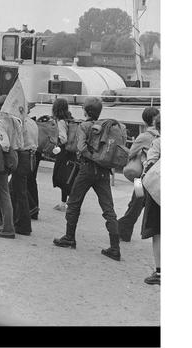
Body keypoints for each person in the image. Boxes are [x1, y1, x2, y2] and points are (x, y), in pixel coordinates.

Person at [52, 97, 122, 261]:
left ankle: (69, 237)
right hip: (104, 171)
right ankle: (115, 247)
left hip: (87, 169)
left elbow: (81, 147)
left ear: (86, 111)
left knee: (74, 202)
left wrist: (92, 157)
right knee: (108, 208)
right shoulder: (107, 127)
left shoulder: (84, 126)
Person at [118, 107, 160, 241]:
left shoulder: (143, 137)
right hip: (155, 179)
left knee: (135, 203)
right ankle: (123, 229)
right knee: (137, 204)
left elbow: (130, 153)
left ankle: (122, 229)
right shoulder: (161, 136)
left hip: (141, 178)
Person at [0, 95, 23, 238]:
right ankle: (0, 221)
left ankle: (7, 227)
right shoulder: (16, 121)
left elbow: (5, 144)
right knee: (1, 189)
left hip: (3, 157)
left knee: (3, 193)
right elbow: (20, 143)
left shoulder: (1, 123)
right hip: (15, 155)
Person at [9, 105, 38, 236]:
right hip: (31, 156)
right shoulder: (32, 122)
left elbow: (17, 143)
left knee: (18, 191)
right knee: (18, 189)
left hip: (22, 156)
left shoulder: (20, 123)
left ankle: (23, 224)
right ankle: (20, 220)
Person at [142, 114, 161, 285]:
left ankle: (159, 272)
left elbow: (149, 165)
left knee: (158, 232)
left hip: (159, 194)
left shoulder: (158, 142)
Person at [51, 98, 78, 212]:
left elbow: (63, 138)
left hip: (63, 153)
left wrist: (55, 140)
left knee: (62, 177)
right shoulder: (70, 119)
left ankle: (66, 204)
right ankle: (67, 203)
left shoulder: (61, 121)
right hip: (72, 153)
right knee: (69, 178)